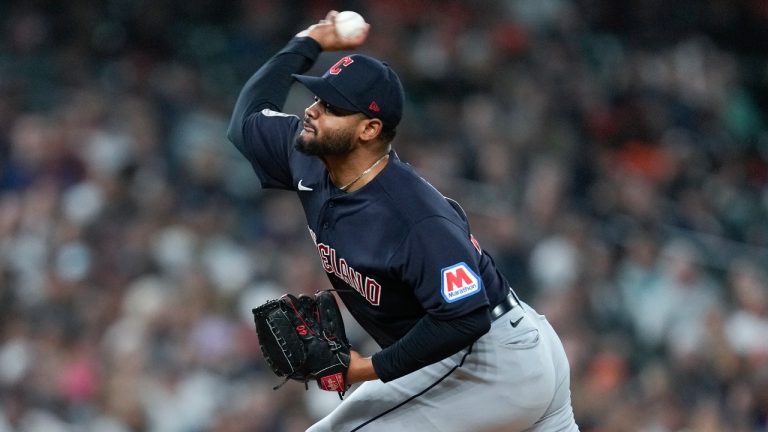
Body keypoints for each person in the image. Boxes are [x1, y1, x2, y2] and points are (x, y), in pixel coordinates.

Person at [227, 11, 579, 432]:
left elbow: (466, 319)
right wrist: (307, 41)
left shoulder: (412, 216)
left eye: (331, 107)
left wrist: (360, 369)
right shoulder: (307, 154)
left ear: (369, 129)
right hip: (508, 352)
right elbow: (245, 122)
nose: (313, 111)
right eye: (318, 99)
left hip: (490, 361)